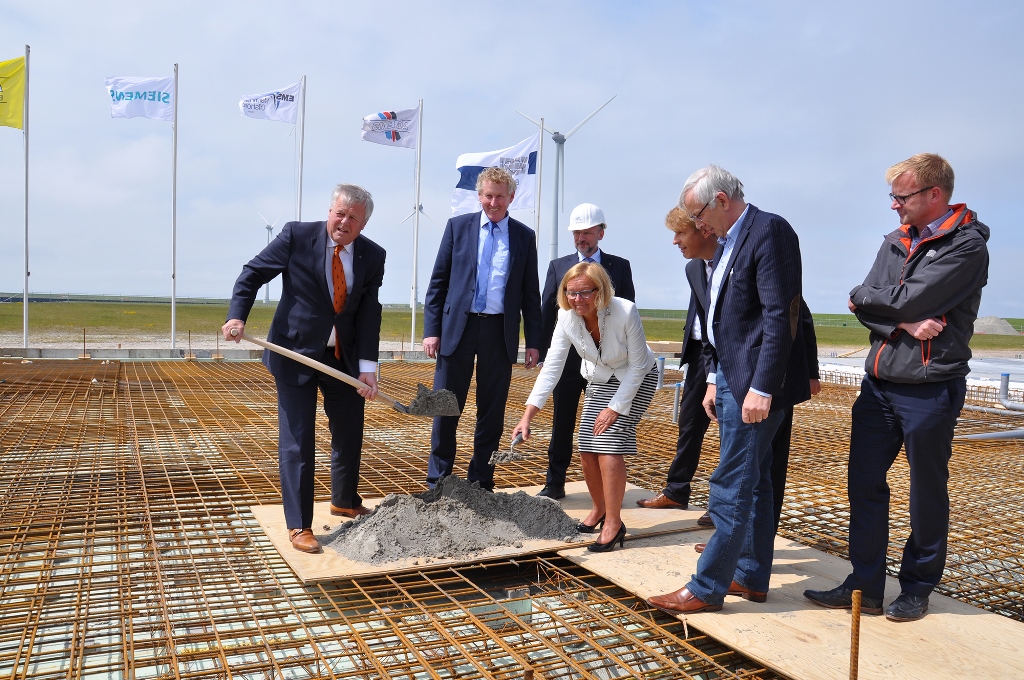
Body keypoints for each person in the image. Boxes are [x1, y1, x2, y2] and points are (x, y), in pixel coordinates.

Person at [805, 153, 989, 622]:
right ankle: (865, 586)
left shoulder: (966, 246)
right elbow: (868, 304)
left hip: (930, 386)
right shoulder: (895, 240)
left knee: (926, 490)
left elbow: (896, 297)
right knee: (864, 482)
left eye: (901, 196)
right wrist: (900, 323)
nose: (894, 205)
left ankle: (917, 588)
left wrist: (878, 303)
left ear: (935, 194)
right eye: (893, 196)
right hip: (879, 385)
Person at [648, 165, 810, 614]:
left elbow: (781, 314)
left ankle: (706, 587)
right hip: (730, 378)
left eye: (698, 214)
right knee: (755, 483)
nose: (697, 225)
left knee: (731, 483)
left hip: (754, 385)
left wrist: (763, 387)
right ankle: (751, 576)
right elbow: (725, 321)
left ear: (721, 201)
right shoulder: (729, 243)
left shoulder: (768, 231)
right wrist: (714, 378)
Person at [223, 184, 385, 554]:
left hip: (342, 357)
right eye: (339, 213)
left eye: (353, 218)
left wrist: (368, 367)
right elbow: (253, 273)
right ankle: (299, 525)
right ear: (330, 211)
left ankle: (344, 500)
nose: (344, 222)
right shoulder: (296, 236)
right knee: (298, 439)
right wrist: (237, 316)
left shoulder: (373, 255)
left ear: (363, 224)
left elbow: (369, 313)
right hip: (294, 352)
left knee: (349, 430)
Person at [513, 262, 657, 552]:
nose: (577, 299)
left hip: (637, 377)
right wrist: (528, 415)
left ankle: (613, 524)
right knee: (587, 447)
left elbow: (638, 366)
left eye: (584, 293)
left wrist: (615, 408)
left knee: (609, 443)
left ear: (600, 291)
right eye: (571, 293)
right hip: (601, 378)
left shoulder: (625, 311)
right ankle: (599, 508)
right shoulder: (566, 317)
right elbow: (552, 367)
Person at [423, 166, 542, 491]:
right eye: (488, 196)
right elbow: (438, 282)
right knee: (445, 405)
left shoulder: (524, 236)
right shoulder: (457, 227)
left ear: (511, 197)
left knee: (491, 412)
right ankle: (438, 480)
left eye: (500, 197)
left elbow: (530, 294)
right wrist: (431, 330)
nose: (493, 202)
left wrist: (534, 342)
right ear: (479, 196)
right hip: (456, 330)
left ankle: (481, 480)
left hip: (498, 332)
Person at [536, 203, 635, 500]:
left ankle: (606, 490)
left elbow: (628, 313)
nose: (581, 238)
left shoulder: (620, 267)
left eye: (587, 232)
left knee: (606, 424)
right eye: (577, 232)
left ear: (601, 233)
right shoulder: (558, 267)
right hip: (569, 360)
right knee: (562, 421)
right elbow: (548, 312)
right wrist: (541, 352)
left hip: (607, 363)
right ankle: (555, 482)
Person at [635, 208, 717, 511]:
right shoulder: (693, 267)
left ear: (703, 229)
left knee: (732, 433)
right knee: (689, 424)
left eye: (680, 233)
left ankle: (722, 507)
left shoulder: (733, 260)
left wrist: (811, 371)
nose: (674, 241)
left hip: (730, 357)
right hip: (700, 354)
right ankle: (677, 491)